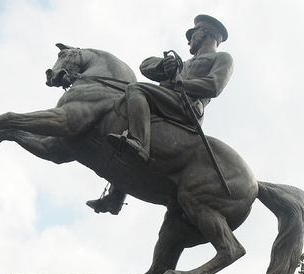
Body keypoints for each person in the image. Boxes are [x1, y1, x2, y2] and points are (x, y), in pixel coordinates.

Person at [88, 14, 232, 213]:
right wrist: (163, 65)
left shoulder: (222, 58)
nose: (189, 40)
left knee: (136, 89)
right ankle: (115, 197)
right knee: (128, 114)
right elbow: (145, 66)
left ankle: (139, 144)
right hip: (169, 100)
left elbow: (214, 86)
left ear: (204, 33)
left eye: (192, 35)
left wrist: (180, 83)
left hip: (187, 106)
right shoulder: (184, 63)